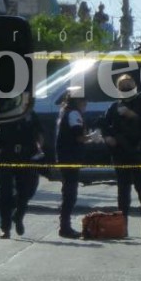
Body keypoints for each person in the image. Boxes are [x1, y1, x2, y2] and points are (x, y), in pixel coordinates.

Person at [101, 74, 141, 237]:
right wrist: (107, 137)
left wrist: (133, 115)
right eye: (122, 86)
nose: (125, 88)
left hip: (140, 153)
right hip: (121, 154)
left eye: (129, 85)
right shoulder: (114, 106)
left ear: (135, 87)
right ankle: (122, 228)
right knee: (123, 192)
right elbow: (103, 123)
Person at [0, 111, 44, 239]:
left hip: (25, 155)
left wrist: (39, 147)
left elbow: (39, 133)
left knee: (26, 190)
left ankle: (18, 216)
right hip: (6, 155)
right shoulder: (6, 111)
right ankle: (5, 228)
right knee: (5, 193)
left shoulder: (30, 114)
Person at [55, 86, 89, 239]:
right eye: (84, 102)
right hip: (70, 157)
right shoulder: (74, 114)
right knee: (70, 194)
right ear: (79, 101)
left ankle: (64, 225)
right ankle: (65, 227)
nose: (86, 105)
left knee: (67, 192)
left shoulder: (64, 111)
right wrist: (93, 137)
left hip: (64, 156)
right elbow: (78, 136)